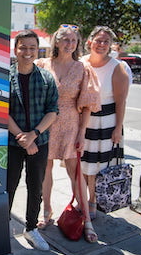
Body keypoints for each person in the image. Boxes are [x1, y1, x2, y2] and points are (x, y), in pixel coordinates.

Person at [35, 24, 101, 243]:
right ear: (56, 41)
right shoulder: (43, 64)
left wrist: (82, 133)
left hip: (71, 123)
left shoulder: (83, 68)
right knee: (45, 168)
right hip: (46, 122)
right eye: (65, 40)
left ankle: (86, 219)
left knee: (75, 171)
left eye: (73, 40)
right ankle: (46, 212)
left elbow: (88, 104)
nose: (69, 44)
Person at [7, 29, 59, 251]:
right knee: (8, 186)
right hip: (12, 142)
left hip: (40, 141)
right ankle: (3, 225)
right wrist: (22, 137)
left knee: (35, 186)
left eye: (32, 47)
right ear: (16, 50)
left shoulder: (47, 78)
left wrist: (34, 135)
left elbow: (53, 111)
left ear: (37, 50)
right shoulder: (5, 77)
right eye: (23, 47)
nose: (27, 52)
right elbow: (2, 111)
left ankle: (31, 228)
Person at [81, 26, 129, 219]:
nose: (101, 44)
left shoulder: (117, 67)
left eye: (106, 42)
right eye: (98, 40)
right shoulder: (81, 63)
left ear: (110, 45)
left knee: (99, 166)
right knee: (83, 164)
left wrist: (118, 128)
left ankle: (92, 200)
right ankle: (83, 198)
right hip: (84, 121)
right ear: (90, 41)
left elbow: (121, 101)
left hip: (107, 122)